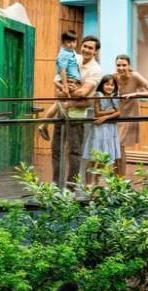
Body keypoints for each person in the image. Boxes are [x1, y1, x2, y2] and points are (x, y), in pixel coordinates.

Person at [51, 35, 101, 190]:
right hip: (62, 110)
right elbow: (58, 82)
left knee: (74, 151)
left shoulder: (96, 70)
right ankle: (55, 182)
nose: (86, 49)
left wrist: (67, 92)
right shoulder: (73, 58)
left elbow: (84, 93)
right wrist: (68, 91)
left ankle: (71, 186)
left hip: (78, 114)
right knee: (56, 148)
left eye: (90, 48)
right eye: (85, 46)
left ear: (95, 51)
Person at [113, 54, 148, 176]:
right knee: (114, 147)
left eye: (124, 65)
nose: (121, 68)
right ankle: (115, 177)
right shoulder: (112, 77)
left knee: (119, 145)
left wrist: (136, 94)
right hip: (114, 115)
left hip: (129, 115)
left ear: (129, 66)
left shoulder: (135, 76)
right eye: (118, 65)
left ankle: (120, 179)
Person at [37, 31, 81, 143]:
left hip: (70, 80)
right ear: (63, 43)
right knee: (59, 104)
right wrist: (65, 86)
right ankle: (44, 125)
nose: (71, 44)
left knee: (58, 104)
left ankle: (44, 125)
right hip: (67, 80)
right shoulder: (64, 54)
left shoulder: (71, 52)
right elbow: (62, 70)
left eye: (73, 42)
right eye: (68, 42)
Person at [83, 74, 121, 182]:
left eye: (112, 85)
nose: (110, 87)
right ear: (102, 85)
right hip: (99, 129)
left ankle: (96, 184)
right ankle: (87, 184)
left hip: (109, 129)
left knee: (102, 159)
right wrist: (111, 111)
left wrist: (105, 117)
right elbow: (97, 112)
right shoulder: (98, 94)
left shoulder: (114, 96)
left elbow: (119, 112)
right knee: (93, 157)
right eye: (107, 84)